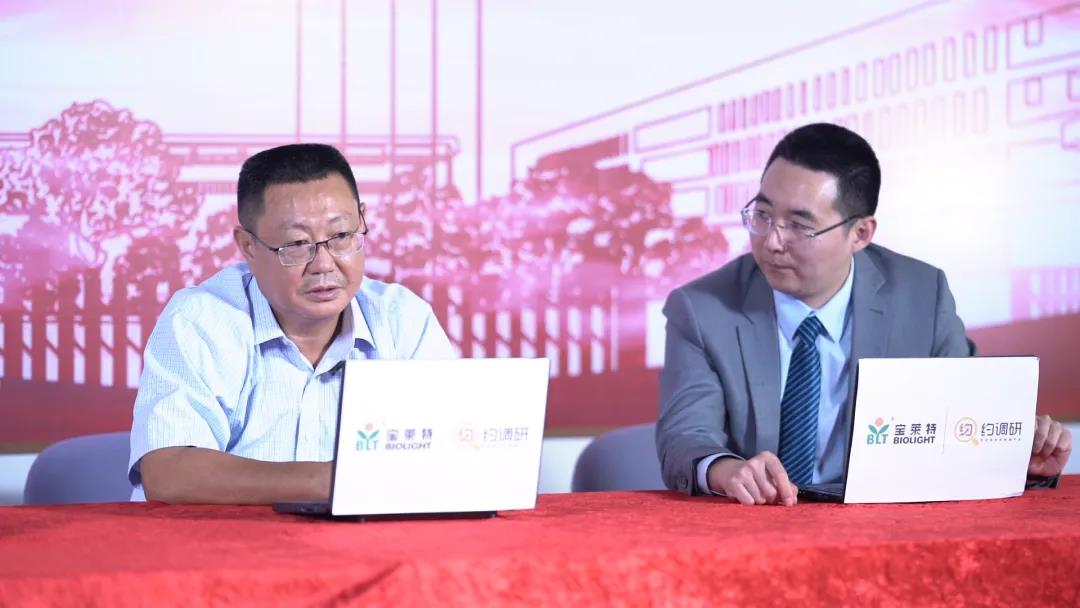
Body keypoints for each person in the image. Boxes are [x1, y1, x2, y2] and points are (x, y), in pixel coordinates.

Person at [656, 123, 1072, 505]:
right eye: (762, 215)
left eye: (799, 225)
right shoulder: (702, 308)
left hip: (883, 527)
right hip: (755, 526)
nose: (772, 241)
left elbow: (967, 424)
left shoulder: (922, 297)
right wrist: (727, 471)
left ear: (860, 234)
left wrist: (1019, 459)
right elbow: (685, 437)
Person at [129, 143, 454, 504]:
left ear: (361, 221)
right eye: (297, 244)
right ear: (248, 246)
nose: (324, 264)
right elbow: (169, 474)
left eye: (341, 236)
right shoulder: (202, 320)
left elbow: (452, 452)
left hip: (361, 537)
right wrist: (333, 481)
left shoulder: (403, 319)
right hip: (217, 538)